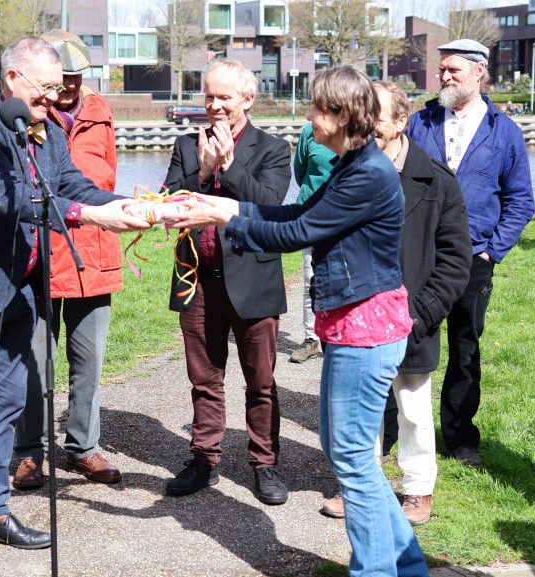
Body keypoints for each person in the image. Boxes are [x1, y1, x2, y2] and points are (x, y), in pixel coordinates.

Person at [171, 65, 429, 577]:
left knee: (353, 463)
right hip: (352, 325)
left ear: (342, 115)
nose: (308, 116)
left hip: (365, 329)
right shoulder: (351, 164)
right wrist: (228, 205)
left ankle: (375, 570)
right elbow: (298, 213)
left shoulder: (368, 174)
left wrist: (227, 218)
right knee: (350, 455)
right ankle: (408, 565)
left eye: (316, 108)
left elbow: (299, 232)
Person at [0, 37, 148, 574]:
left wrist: (133, 205)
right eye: (46, 88)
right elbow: (14, 200)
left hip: (17, 288)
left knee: (3, 405)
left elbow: (71, 184)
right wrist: (92, 218)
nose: (56, 96)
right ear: (13, 79)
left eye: (60, 87)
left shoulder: (46, 131)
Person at [320, 81, 472, 526]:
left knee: (412, 408)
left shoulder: (438, 182)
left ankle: (418, 489)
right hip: (354, 319)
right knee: (357, 409)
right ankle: (360, 485)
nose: (366, 128)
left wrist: (418, 315)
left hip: (410, 320)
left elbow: (454, 262)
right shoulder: (345, 172)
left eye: (376, 119)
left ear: (402, 122)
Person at [163, 58, 292, 505]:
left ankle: (265, 463)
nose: (215, 106)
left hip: (253, 282)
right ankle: (204, 459)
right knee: (205, 379)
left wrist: (231, 166)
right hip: (198, 281)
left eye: (224, 97)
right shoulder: (185, 145)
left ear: (247, 100)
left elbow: (270, 207)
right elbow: (167, 205)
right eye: (209, 97)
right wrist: (200, 171)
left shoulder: (273, 148)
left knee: (260, 380)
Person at [407, 39, 535, 468]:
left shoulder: (505, 131)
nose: (443, 76)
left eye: (452, 70)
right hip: (420, 256)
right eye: (441, 69)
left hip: (474, 259)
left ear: (479, 73)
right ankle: (395, 432)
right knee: (408, 340)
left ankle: (460, 437)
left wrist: (492, 253)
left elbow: (520, 201)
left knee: (465, 347)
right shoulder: (419, 124)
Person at [13, 30, 122, 490]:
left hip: (93, 253)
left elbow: (106, 175)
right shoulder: (29, 114)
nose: (70, 87)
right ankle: (29, 452)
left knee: (89, 358)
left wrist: (118, 211)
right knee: (36, 358)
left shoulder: (100, 112)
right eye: (62, 79)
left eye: (77, 77)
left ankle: (83, 446)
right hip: (40, 256)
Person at [288, 122, 336, 364]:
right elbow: (300, 172)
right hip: (312, 215)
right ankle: (311, 338)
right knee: (310, 279)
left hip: (344, 216)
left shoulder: (360, 129)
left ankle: (336, 339)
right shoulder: (309, 131)